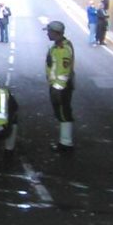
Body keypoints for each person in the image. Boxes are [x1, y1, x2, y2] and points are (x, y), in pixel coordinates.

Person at [44, 20, 76, 152]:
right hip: (59, 86)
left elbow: (64, 70)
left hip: (60, 88)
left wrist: (57, 88)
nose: (47, 34)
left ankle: (66, 144)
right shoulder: (58, 46)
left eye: (49, 31)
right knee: (62, 113)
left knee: (63, 113)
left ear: (55, 33)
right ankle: (64, 142)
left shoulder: (62, 48)